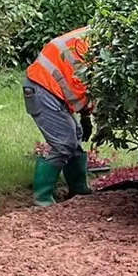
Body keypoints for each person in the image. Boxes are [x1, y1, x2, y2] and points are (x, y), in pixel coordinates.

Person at [23, 26, 95, 206]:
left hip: (51, 88)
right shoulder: (93, 47)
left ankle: (78, 189)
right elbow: (86, 88)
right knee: (63, 143)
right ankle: (42, 198)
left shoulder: (92, 38)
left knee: (74, 139)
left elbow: (82, 86)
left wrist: (85, 117)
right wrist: (89, 116)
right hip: (42, 88)